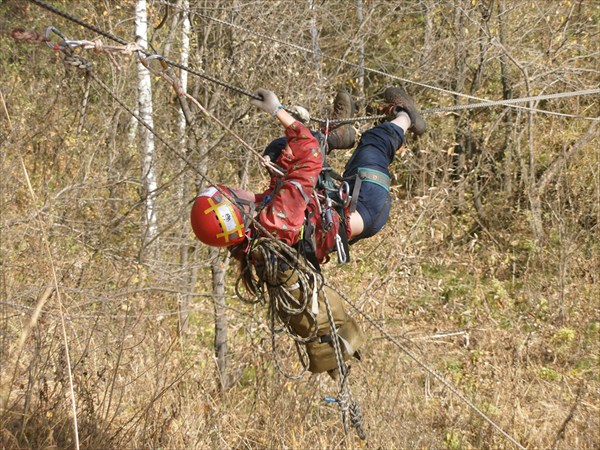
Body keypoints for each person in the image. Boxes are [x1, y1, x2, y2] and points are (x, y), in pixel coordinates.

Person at [190, 86, 425, 376]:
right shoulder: (277, 219)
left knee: (279, 151)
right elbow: (310, 159)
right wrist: (279, 112)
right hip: (365, 205)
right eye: (232, 191)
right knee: (374, 144)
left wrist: (277, 156)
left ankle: (337, 135)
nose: (237, 187)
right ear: (237, 207)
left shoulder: (253, 240)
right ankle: (406, 117)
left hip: (336, 204)